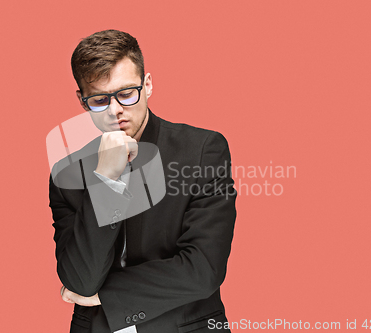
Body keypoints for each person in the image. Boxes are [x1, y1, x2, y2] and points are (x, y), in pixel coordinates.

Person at [49, 29, 237, 333]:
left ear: (147, 84)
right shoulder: (67, 173)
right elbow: (80, 279)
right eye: (99, 100)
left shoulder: (202, 151)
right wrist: (105, 179)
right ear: (82, 101)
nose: (115, 111)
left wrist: (106, 295)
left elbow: (203, 270)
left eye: (126, 94)